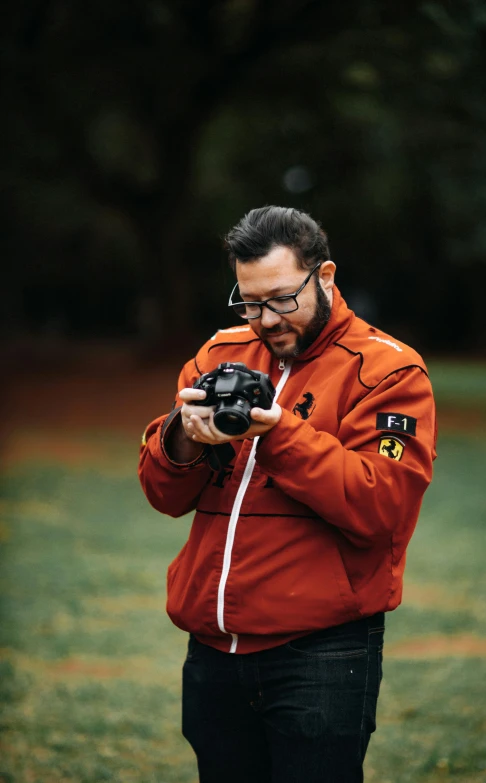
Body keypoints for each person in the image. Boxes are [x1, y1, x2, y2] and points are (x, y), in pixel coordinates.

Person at [138, 206, 437, 783]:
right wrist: (180, 439)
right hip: (212, 648)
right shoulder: (219, 353)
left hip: (321, 653)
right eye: (249, 302)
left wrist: (278, 435)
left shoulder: (390, 372)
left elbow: (382, 509)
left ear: (324, 276)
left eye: (279, 299)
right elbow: (163, 495)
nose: (264, 320)